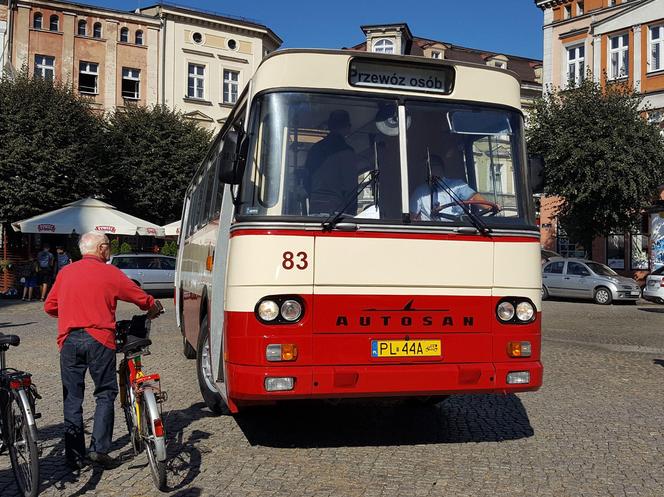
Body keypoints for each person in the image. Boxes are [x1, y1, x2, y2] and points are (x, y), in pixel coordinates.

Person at [44, 231, 162, 470]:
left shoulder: (66, 272)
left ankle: (74, 456)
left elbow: (50, 306)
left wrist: (70, 312)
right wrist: (153, 305)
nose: (109, 251)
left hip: (69, 340)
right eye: (108, 246)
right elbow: (138, 297)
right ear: (100, 249)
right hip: (99, 338)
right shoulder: (109, 272)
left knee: (72, 398)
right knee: (105, 394)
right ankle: (98, 450)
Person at [305, 109, 360, 215]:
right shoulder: (346, 151)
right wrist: (352, 211)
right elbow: (351, 186)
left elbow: (306, 179)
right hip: (337, 209)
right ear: (347, 127)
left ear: (330, 126)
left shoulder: (315, 148)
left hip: (315, 206)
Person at [409, 155, 486, 221]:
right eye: (427, 167)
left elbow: (474, 198)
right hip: (431, 230)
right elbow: (413, 216)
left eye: (433, 166)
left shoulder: (457, 185)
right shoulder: (419, 191)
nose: (430, 170)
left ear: (441, 168)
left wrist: (489, 207)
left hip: (455, 227)